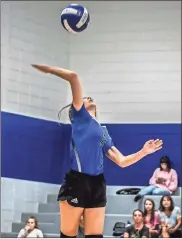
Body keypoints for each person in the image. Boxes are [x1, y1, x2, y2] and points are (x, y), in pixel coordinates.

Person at [31, 64, 163, 238]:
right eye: (84, 98)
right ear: (75, 109)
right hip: (77, 182)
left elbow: (122, 161)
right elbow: (73, 77)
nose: (88, 97)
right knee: (68, 235)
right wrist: (49, 70)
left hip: (98, 184)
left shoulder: (103, 132)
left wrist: (144, 152)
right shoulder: (80, 118)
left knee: (94, 236)